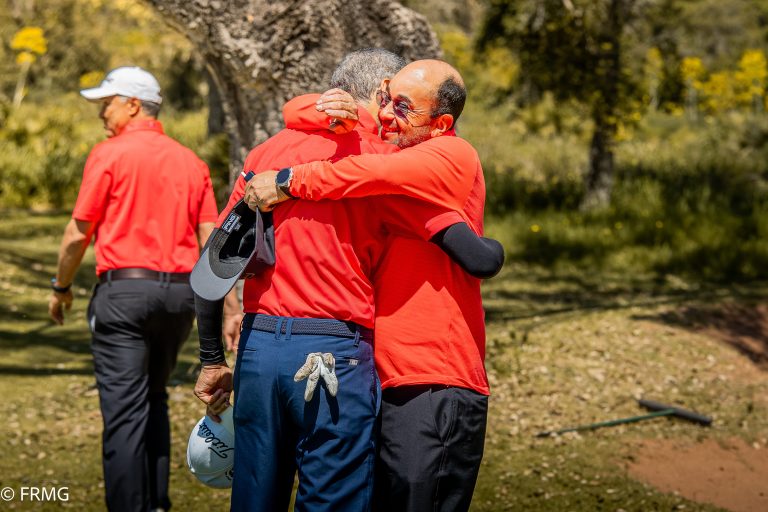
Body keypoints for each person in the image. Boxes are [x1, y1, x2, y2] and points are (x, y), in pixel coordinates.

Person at [194, 50, 501, 512]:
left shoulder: (266, 153)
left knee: (254, 498)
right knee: (333, 499)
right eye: (391, 101)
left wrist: (211, 359)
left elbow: (213, 266)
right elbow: (472, 251)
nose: (389, 116)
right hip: (333, 349)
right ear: (380, 92)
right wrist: (485, 248)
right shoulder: (382, 164)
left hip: (260, 350)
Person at [48, 66, 220, 512]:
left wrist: (61, 286)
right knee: (156, 397)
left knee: (125, 411)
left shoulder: (109, 154)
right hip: (181, 297)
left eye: (106, 103)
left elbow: (76, 234)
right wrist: (226, 307)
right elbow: (211, 241)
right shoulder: (192, 161)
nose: (101, 113)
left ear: (132, 104)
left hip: (124, 293)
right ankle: (157, 503)